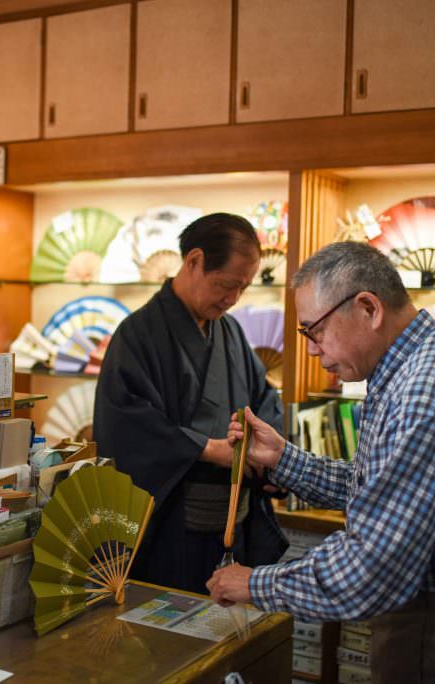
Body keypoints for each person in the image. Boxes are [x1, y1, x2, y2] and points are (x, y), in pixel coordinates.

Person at [206, 241, 435, 683]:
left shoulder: (423, 391)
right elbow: (378, 489)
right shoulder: (414, 364)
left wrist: (253, 583)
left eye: (314, 331)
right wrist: (282, 458)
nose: (311, 350)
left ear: (368, 308)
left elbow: (371, 567)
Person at [94, 212, 288, 594]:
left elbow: (264, 398)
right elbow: (126, 424)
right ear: (194, 261)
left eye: (242, 289)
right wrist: (206, 448)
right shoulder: (138, 334)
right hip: (172, 526)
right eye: (225, 285)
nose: (232, 299)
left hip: (235, 519)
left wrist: (256, 447)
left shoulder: (229, 330)